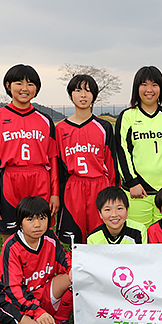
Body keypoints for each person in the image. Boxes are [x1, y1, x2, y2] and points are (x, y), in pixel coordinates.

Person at [0, 64, 59, 242]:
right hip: (9, 181)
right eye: (19, 83)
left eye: (30, 84)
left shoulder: (45, 120)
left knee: (41, 234)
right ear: (8, 85)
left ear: (37, 88)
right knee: (10, 238)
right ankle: (10, 262)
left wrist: (55, 193)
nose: (25, 88)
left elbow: (53, 159)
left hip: (40, 180)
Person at [0, 197, 73, 324]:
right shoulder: (12, 247)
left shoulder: (49, 237)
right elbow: (13, 288)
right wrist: (37, 311)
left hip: (40, 291)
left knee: (74, 276)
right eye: (30, 219)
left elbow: (64, 259)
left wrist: (71, 268)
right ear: (20, 222)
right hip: (13, 300)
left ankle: (59, 322)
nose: (37, 224)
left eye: (42, 218)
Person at [115, 66, 162, 227]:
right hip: (137, 192)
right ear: (137, 88)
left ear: (161, 88)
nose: (149, 89)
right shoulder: (127, 116)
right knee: (138, 236)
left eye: (154, 84)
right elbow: (122, 150)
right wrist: (132, 182)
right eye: (144, 84)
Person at [56, 74, 116, 245]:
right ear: (70, 95)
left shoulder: (104, 127)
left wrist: (112, 193)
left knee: (100, 240)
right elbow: (57, 166)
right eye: (78, 90)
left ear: (94, 96)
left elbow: (111, 163)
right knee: (73, 242)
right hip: (72, 188)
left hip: (99, 186)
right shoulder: (60, 128)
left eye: (88, 91)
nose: (83, 95)